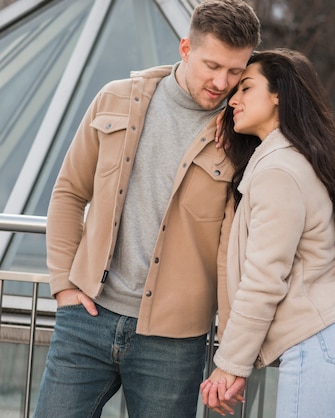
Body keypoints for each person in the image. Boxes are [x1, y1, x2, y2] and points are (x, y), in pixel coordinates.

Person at [34, 1, 260, 417]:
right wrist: (65, 286)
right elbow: (68, 192)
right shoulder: (115, 99)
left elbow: (235, 254)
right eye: (211, 65)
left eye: (235, 71)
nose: (221, 81)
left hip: (174, 341)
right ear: (186, 47)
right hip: (87, 317)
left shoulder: (243, 138)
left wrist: (231, 352)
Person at [200, 49, 335, 417]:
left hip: (320, 350)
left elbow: (265, 279)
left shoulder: (278, 171)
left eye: (245, 89)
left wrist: (231, 364)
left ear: (279, 96)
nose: (232, 100)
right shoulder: (301, 157)